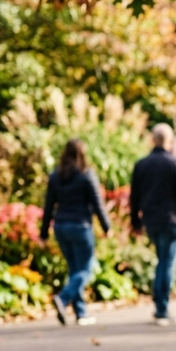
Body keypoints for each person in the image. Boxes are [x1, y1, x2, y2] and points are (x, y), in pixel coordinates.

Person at [130, 123, 176, 325]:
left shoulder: (141, 165)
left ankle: (159, 305)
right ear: (169, 141)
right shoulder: (174, 164)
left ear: (153, 140)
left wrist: (135, 222)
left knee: (161, 260)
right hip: (171, 221)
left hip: (151, 220)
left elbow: (134, 196)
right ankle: (162, 308)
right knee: (166, 262)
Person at [41, 138, 112, 326]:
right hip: (80, 227)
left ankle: (81, 313)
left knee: (74, 270)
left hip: (61, 228)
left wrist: (43, 234)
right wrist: (107, 227)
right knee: (86, 269)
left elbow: (48, 206)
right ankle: (63, 299)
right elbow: (97, 203)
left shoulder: (56, 176)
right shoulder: (86, 175)